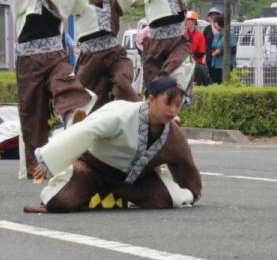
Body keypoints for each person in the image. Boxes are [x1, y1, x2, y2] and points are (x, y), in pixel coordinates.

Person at [24, 76, 202, 213]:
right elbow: (83, 131)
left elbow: (185, 163)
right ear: (151, 99)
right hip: (92, 170)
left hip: (133, 181)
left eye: (178, 106)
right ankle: (91, 192)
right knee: (61, 203)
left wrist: (192, 190)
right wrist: (48, 160)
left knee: (165, 199)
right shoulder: (120, 114)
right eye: (168, 103)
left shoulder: (173, 135)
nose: (173, 111)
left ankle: (114, 196)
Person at [6, 0, 94, 179]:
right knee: (32, 114)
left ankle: (71, 123)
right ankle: (38, 165)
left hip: (55, 54)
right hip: (28, 60)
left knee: (67, 86)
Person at [70, 0, 140, 109]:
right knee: (84, 96)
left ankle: (140, 114)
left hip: (114, 54)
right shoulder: (80, 4)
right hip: (90, 58)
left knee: (122, 80)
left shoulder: (113, 1)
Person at [185, 10, 210, 85]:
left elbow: (202, 52)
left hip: (196, 66)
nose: (185, 22)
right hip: (184, 66)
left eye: (187, 20)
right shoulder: (183, 35)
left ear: (193, 22)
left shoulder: (200, 36)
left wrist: (190, 55)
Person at [209, 14, 234, 85]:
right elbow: (215, 32)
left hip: (225, 65)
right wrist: (211, 22)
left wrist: (219, 51)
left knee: (224, 83)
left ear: (220, 23)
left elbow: (232, 49)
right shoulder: (220, 34)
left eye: (216, 23)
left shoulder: (229, 35)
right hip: (217, 65)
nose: (215, 25)